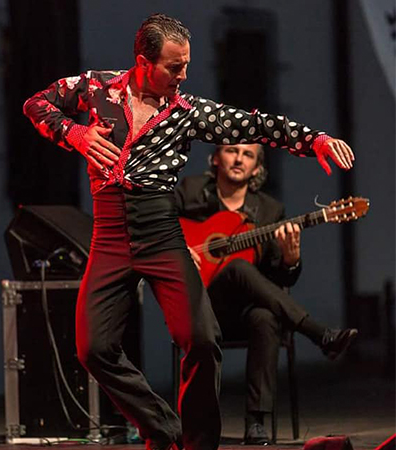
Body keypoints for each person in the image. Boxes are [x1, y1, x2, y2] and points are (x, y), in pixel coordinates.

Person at [23, 13, 354, 450]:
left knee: (201, 338)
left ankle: (198, 445)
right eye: (174, 67)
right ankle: (163, 428)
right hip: (110, 235)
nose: (183, 75)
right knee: (93, 348)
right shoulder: (95, 88)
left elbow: (251, 124)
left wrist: (312, 140)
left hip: (160, 232)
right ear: (144, 61)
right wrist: (77, 135)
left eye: (186, 65)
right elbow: (36, 104)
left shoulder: (186, 112)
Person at [175, 143, 358, 444]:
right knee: (236, 268)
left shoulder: (271, 211)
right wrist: (179, 251)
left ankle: (256, 423)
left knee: (265, 316)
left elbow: (278, 280)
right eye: (232, 151)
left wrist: (291, 259)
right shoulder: (190, 190)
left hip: (244, 311)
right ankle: (318, 333)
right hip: (201, 305)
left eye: (248, 155)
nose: (239, 159)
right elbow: (159, 226)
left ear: (257, 169)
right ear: (216, 158)